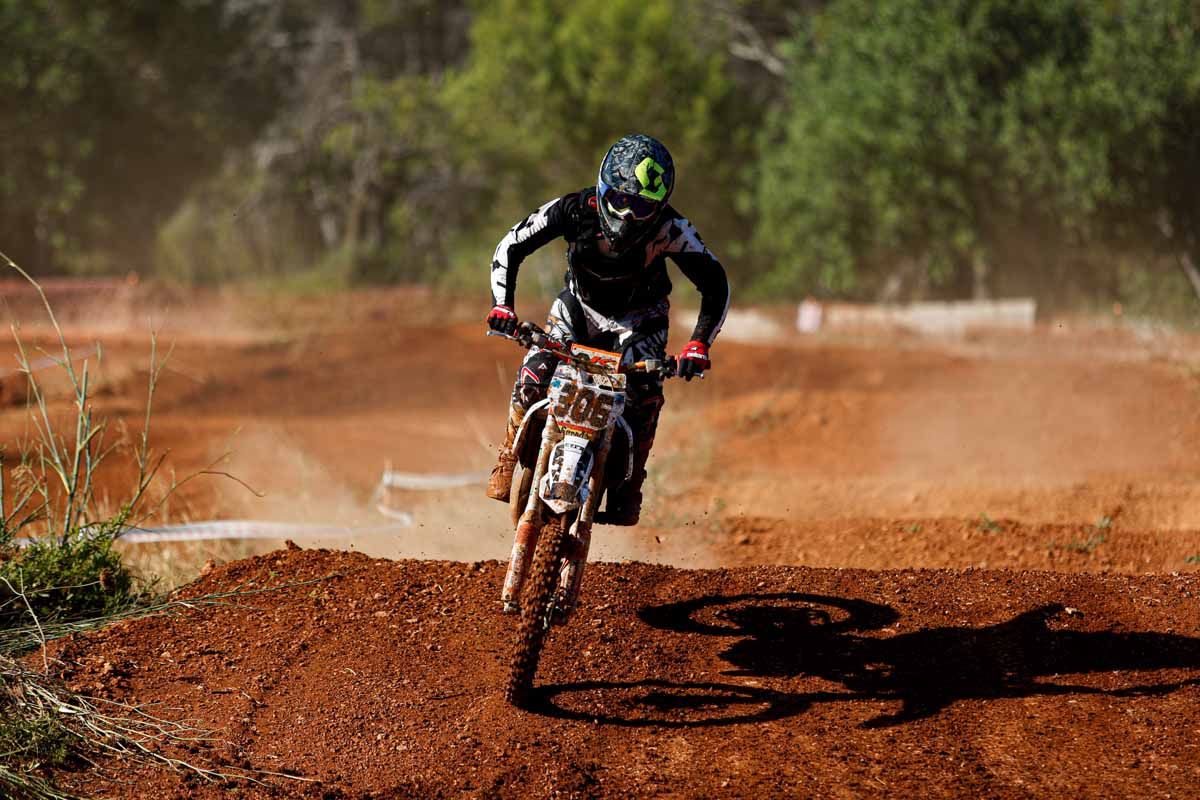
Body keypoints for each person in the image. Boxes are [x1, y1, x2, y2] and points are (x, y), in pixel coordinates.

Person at [485, 133, 730, 526]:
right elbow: (511, 245)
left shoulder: (671, 229)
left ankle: (628, 488)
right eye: (619, 200)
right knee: (533, 373)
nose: (628, 215)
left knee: (645, 394)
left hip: (641, 319)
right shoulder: (574, 209)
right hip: (578, 306)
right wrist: (503, 306)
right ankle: (507, 454)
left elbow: (715, 283)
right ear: (603, 189)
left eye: (642, 207)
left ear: (660, 206)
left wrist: (699, 344)